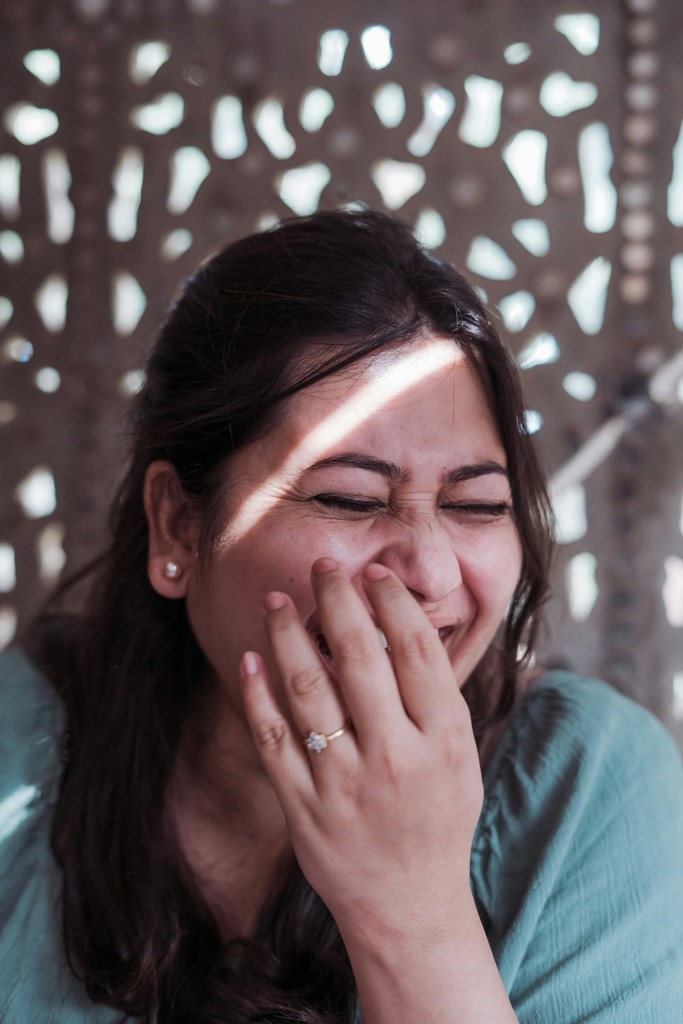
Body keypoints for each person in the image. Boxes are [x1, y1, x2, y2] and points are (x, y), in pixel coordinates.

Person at [1, 210, 682, 1024]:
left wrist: (410, 913)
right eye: (348, 498)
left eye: (477, 504)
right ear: (178, 523)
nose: (429, 573)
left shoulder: (593, 787)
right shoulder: (19, 746)